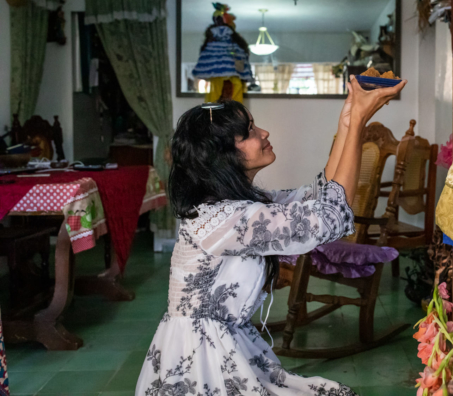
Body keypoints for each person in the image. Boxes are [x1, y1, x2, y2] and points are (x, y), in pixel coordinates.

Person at [135, 76, 406, 396]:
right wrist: (359, 123)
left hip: (219, 341)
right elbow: (328, 217)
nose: (263, 133)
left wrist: (347, 123)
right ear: (222, 155)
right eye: (249, 131)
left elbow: (318, 200)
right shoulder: (225, 219)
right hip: (203, 358)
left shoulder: (232, 206)